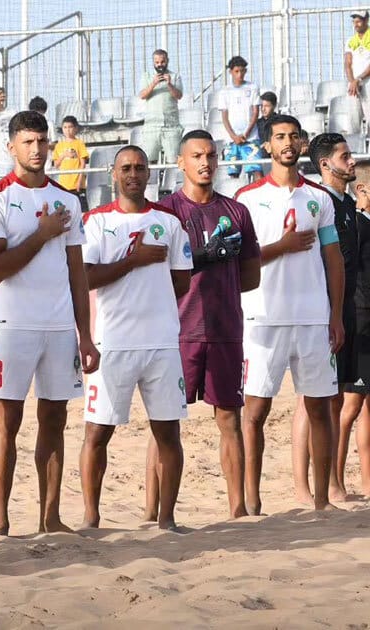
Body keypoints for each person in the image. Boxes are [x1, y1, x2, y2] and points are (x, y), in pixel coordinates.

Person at [0, 110, 99, 535]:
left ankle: (51, 517)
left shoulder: (67, 199)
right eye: (27, 142)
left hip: (58, 326)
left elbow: (77, 274)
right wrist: (42, 234)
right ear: (11, 147)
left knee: (54, 420)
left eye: (41, 141)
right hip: (12, 325)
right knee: (7, 422)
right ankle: (0, 519)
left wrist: (85, 334)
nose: (36, 149)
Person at [79, 146, 191, 532]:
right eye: (126, 168)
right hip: (113, 341)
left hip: (160, 342)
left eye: (140, 168)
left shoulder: (169, 221)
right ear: (113, 174)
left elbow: (181, 281)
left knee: (168, 432)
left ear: (149, 174)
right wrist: (133, 261)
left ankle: (167, 518)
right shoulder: (95, 222)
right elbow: (86, 278)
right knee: (97, 432)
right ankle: (91, 518)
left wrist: (150, 294)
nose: (133, 174)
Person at [236, 114, 344, 515]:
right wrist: (281, 246)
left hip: (313, 317)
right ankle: (251, 500)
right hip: (263, 317)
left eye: (294, 136)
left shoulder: (320, 197)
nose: (287, 142)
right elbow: (242, 262)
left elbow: (333, 260)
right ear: (267, 146)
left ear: (302, 144)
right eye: (280, 136)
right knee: (255, 412)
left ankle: (320, 500)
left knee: (319, 407)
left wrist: (335, 316)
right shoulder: (247, 199)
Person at [158, 130, 261, 520]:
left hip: (225, 329)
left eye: (212, 155)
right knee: (165, 422)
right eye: (197, 155)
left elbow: (251, 277)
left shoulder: (237, 211)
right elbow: (160, 273)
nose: (206, 162)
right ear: (181, 162)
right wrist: (202, 257)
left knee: (229, 419)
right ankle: (155, 513)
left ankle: (238, 509)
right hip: (179, 330)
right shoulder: (166, 211)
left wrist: (222, 267)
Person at [291, 133, 359, 503]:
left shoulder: (345, 203)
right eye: (345, 156)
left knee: (333, 399)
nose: (352, 161)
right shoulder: (315, 201)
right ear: (324, 164)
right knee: (311, 399)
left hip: (343, 308)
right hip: (316, 312)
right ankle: (303, 486)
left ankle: (333, 480)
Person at [340, 164, 370, 495]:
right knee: (351, 405)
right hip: (361, 319)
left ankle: (366, 481)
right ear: (362, 191)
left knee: (367, 406)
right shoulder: (357, 226)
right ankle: (335, 480)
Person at [137, 49, 184, 175]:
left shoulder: (175, 76)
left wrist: (169, 84)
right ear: (153, 62)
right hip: (152, 126)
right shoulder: (146, 76)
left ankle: (171, 188)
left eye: (162, 62)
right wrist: (153, 83)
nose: (160, 65)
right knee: (149, 160)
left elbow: (179, 95)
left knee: (173, 161)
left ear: (167, 61)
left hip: (171, 126)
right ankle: (149, 187)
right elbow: (142, 95)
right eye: (157, 62)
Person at [218, 57, 261, 161]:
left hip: (250, 138)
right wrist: (233, 136)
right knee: (232, 172)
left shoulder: (253, 87)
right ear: (230, 72)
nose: (240, 74)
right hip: (231, 139)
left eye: (242, 71)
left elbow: (255, 112)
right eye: (236, 71)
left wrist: (246, 134)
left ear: (245, 71)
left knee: (255, 169)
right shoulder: (225, 91)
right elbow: (224, 117)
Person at [52, 116, 89, 209]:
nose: (67, 130)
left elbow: (82, 163)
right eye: (65, 127)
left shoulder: (79, 143)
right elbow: (56, 165)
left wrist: (79, 181)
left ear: (75, 128)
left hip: (76, 184)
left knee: (81, 209)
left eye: (70, 127)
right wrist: (63, 155)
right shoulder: (59, 145)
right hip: (64, 185)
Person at [345, 10, 370, 120]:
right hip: (354, 84)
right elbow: (347, 63)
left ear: (366, 21)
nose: (356, 25)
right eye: (354, 22)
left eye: (359, 21)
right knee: (353, 117)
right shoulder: (351, 41)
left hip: (367, 81)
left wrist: (359, 79)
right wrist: (352, 81)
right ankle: (355, 137)